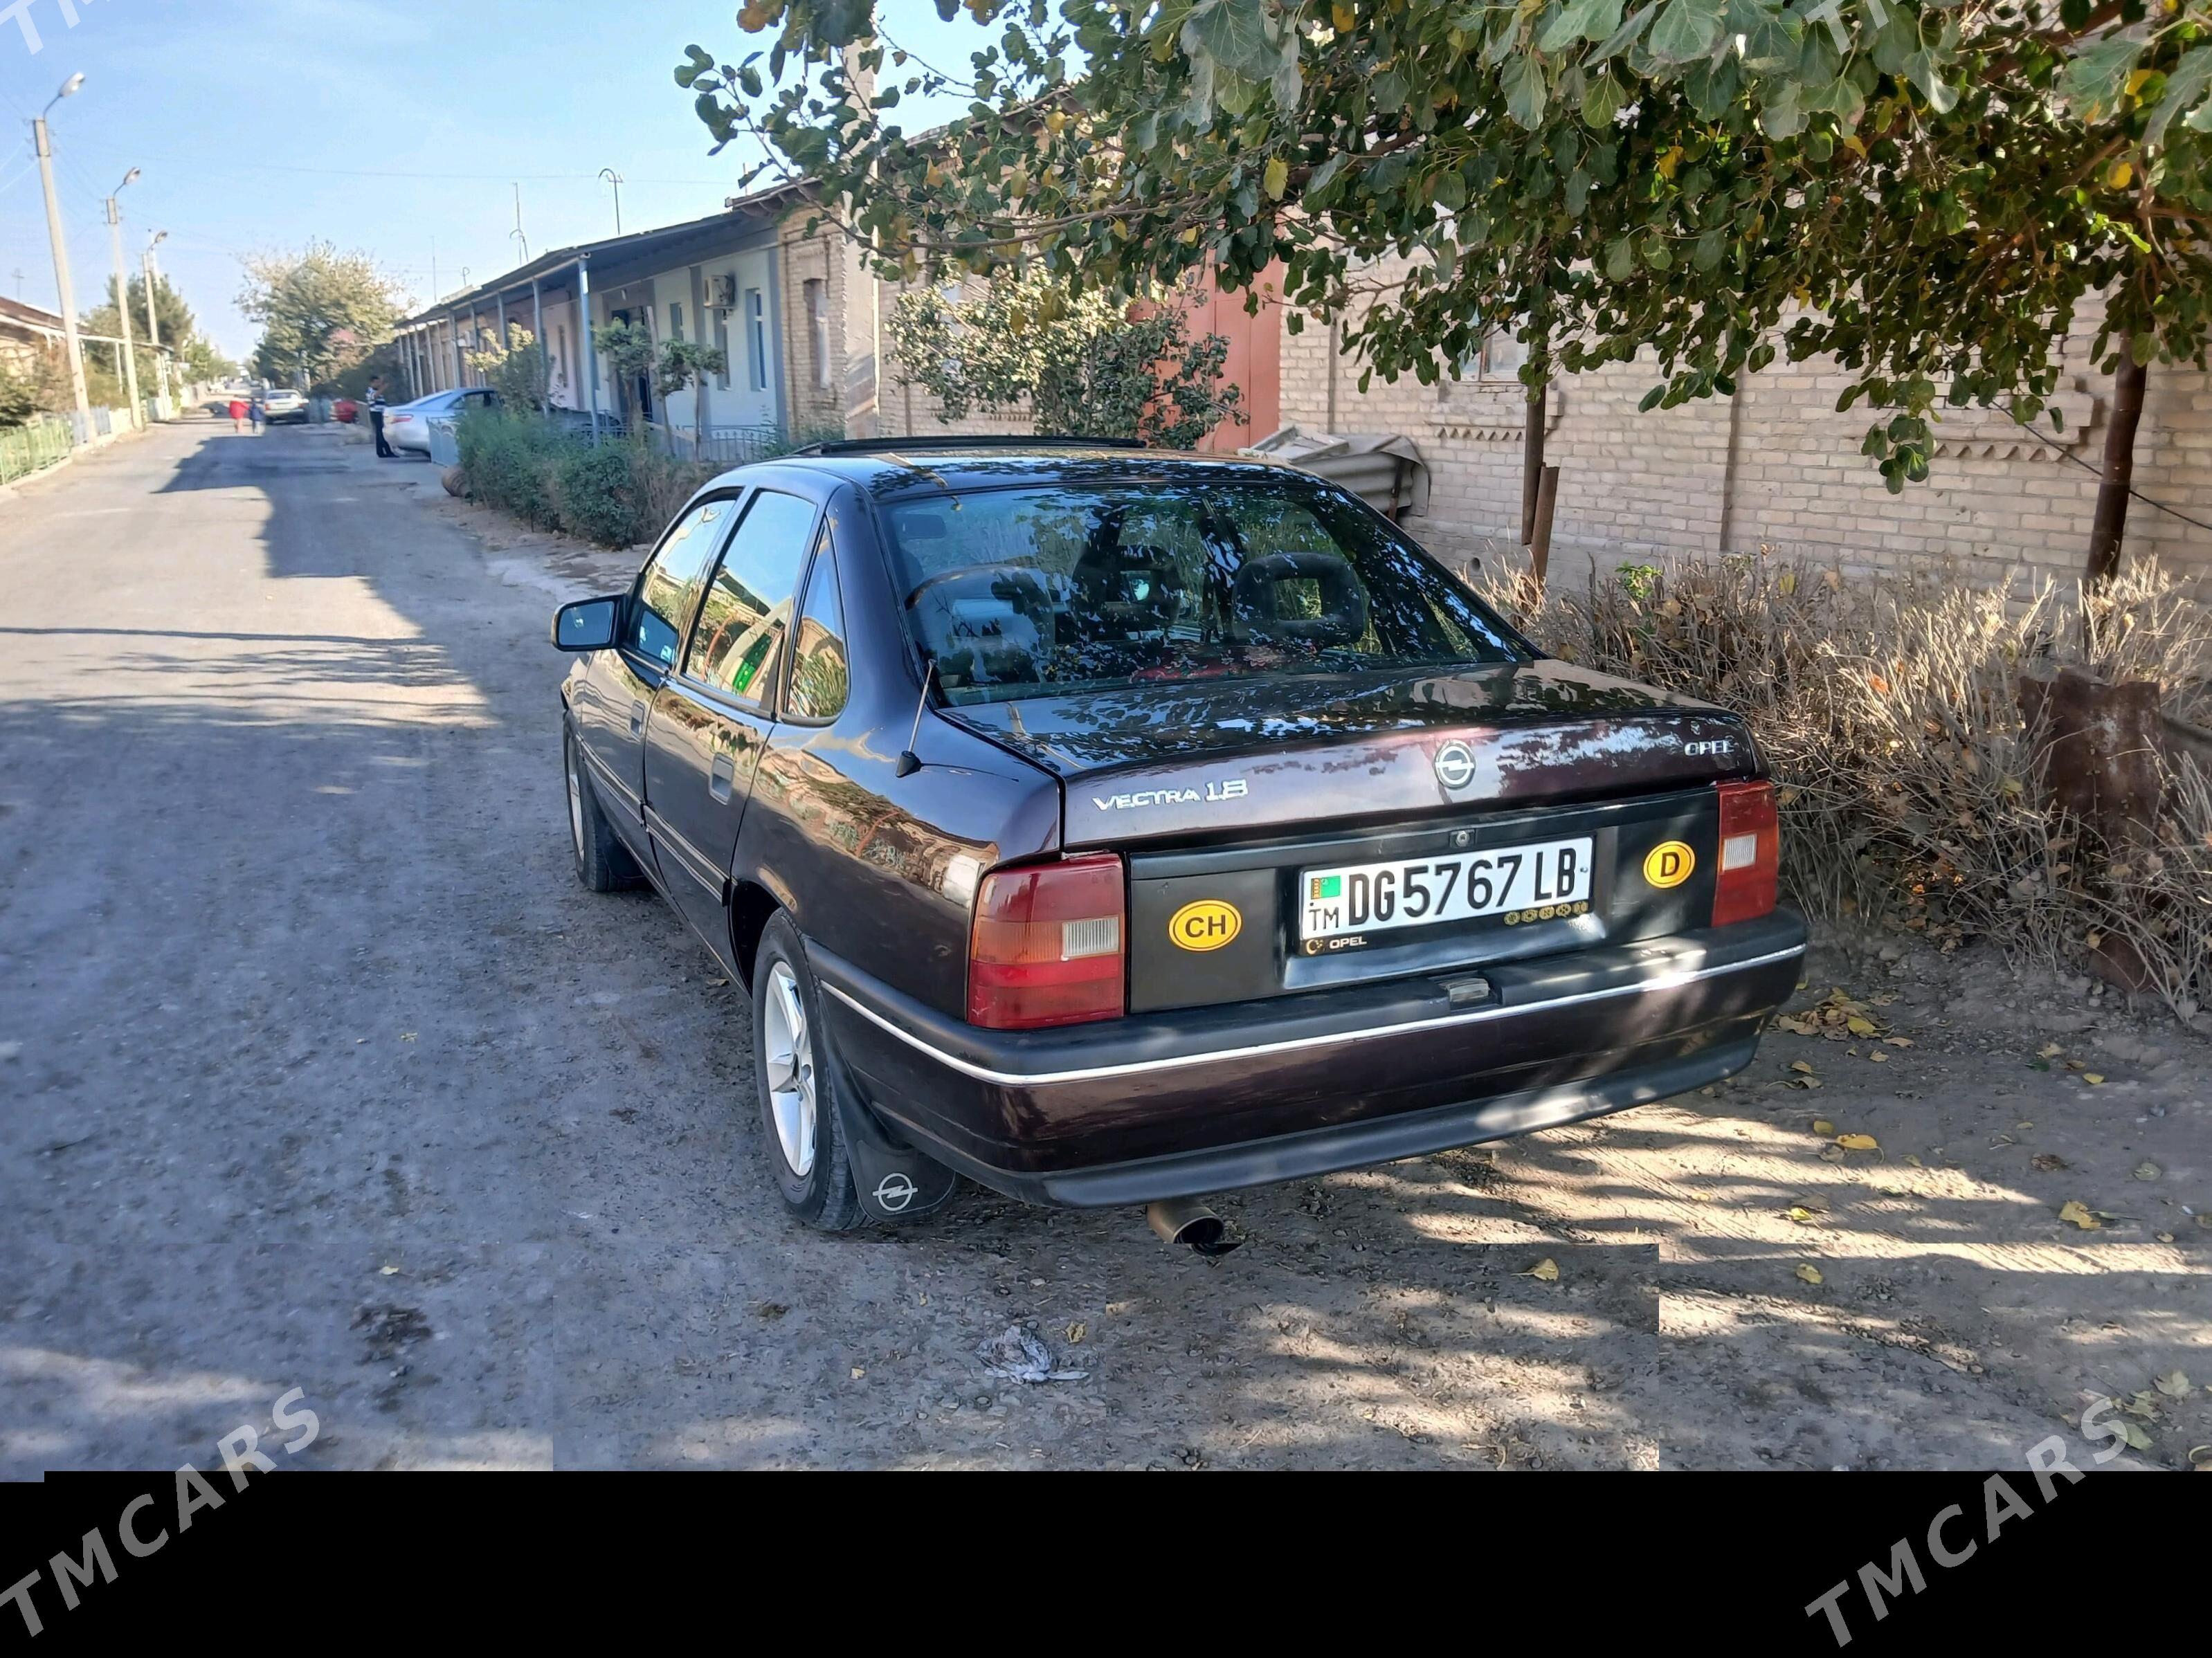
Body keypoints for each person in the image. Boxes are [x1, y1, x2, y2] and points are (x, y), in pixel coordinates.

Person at [368, 378, 394, 459]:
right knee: (380, 433)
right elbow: (375, 396)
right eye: (376, 383)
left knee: (381, 433)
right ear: (372, 383)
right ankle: (384, 452)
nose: (378, 384)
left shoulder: (376, 390)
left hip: (380, 413)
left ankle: (383, 452)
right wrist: (383, 388)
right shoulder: (371, 391)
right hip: (376, 413)